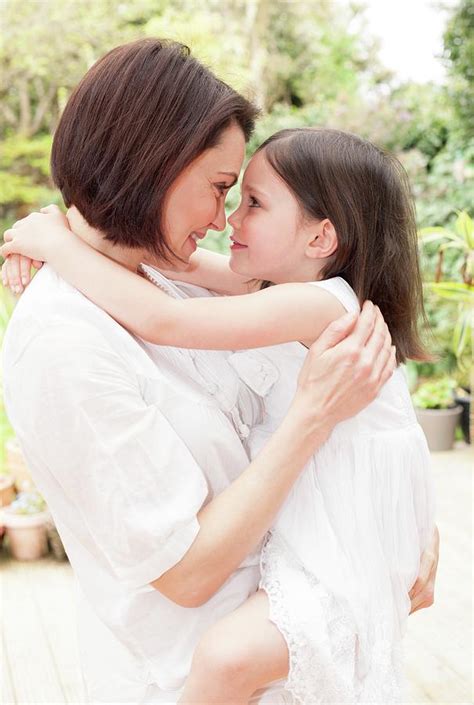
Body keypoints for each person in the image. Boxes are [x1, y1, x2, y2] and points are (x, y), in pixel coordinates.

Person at [1, 40, 439, 705]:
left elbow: (167, 306)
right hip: (196, 675)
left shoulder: (179, 278)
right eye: (220, 189)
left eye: (243, 199)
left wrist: (401, 531)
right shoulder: (65, 341)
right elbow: (186, 571)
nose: (221, 220)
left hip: (298, 640)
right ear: (152, 162)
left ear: (322, 236)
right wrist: (58, 238)